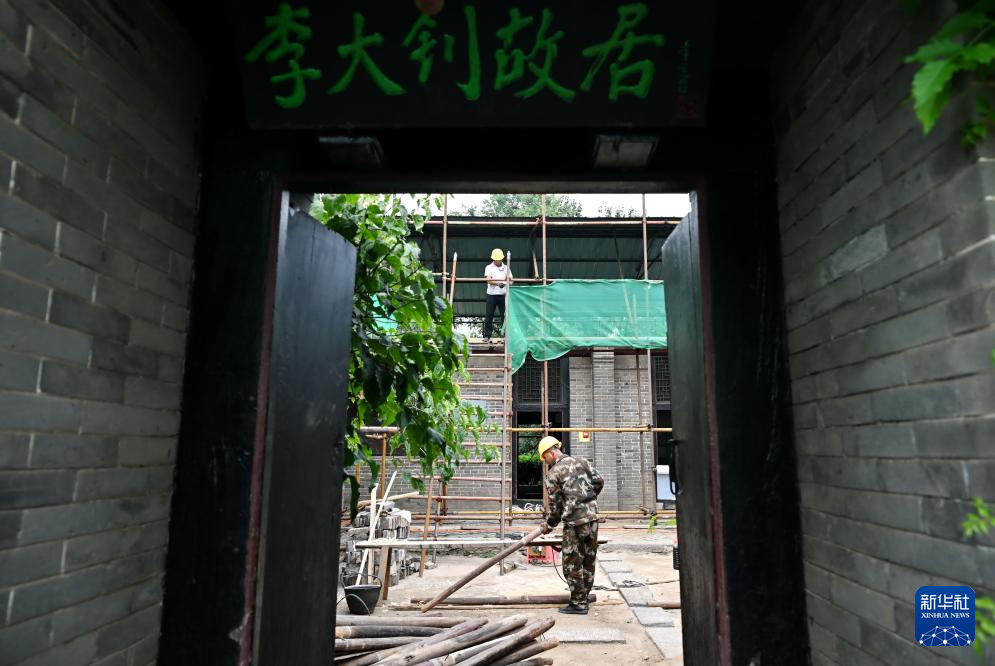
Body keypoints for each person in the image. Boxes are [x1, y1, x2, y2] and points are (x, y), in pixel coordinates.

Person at [538, 435, 605, 615]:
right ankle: (584, 598)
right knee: (588, 560)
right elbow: (599, 481)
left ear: (551, 452)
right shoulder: (582, 462)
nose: (546, 462)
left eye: (545, 458)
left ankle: (578, 603)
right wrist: (588, 500)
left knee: (571, 563)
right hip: (592, 518)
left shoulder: (553, 474)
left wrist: (550, 524)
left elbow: (556, 505)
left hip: (575, 523)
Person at [482, 248, 511, 341]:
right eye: (496, 259)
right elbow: (488, 280)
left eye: (499, 259)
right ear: (493, 259)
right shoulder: (489, 267)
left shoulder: (506, 268)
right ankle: (487, 335)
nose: (497, 261)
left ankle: (506, 335)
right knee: (489, 315)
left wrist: (507, 282)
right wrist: (498, 283)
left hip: (503, 294)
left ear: (502, 259)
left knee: (505, 315)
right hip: (492, 295)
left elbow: (511, 280)